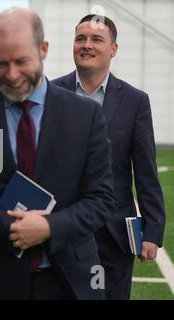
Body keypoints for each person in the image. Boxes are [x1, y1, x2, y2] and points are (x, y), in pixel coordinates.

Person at [0, 8, 116, 299]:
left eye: (22, 61)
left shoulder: (86, 116)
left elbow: (102, 199)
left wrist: (49, 227)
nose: (12, 75)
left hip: (70, 280)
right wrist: (8, 227)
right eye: (0, 63)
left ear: (43, 49)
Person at [52, 14, 166, 300]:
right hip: (60, 231)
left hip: (114, 234)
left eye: (97, 39)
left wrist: (152, 230)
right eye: (81, 38)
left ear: (113, 49)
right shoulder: (50, 93)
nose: (87, 45)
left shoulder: (135, 101)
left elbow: (145, 169)